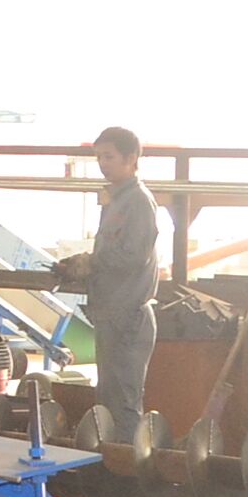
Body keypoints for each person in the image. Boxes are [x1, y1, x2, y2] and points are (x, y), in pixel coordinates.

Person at [87, 126, 159, 444]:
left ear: (131, 159)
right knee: (109, 399)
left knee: (125, 404)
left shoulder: (138, 202)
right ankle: (113, 461)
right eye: (99, 157)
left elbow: (134, 256)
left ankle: (127, 464)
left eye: (109, 157)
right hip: (111, 313)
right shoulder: (116, 200)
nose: (103, 164)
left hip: (128, 316)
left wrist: (92, 262)